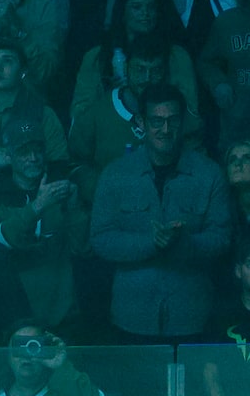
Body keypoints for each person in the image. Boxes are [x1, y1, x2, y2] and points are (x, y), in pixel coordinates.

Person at [90, 81, 232, 342]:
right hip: (131, 318)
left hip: (193, 318)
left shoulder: (209, 174)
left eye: (173, 120)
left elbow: (222, 237)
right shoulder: (115, 174)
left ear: (182, 122)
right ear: (141, 122)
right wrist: (151, 242)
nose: (165, 129)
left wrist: (184, 244)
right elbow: (100, 238)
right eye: (157, 121)